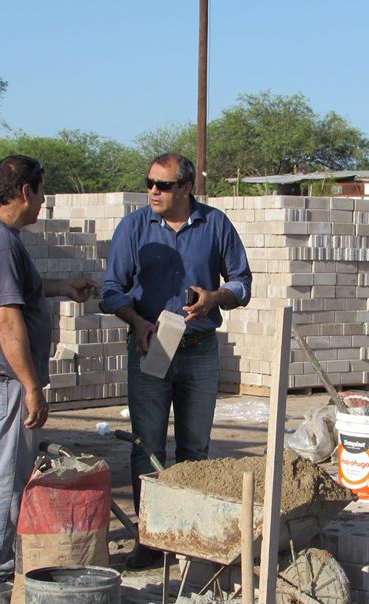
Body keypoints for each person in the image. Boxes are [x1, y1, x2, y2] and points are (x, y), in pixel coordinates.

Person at [100, 153, 252, 568]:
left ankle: (188, 538)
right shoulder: (133, 228)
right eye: (149, 182)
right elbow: (110, 290)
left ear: (186, 188)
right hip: (151, 347)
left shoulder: (215, 224)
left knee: (194, 448)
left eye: (163, 185)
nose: (153, 190)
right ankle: (149, 541)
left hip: (199, 349)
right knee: (146, 447)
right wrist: (137, 320)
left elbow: (242, 282)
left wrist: (215, 298)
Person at [0, 154, 98, 588]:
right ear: (24, 192)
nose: (42, 203)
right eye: (41, 192)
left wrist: (61, 289)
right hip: (4, 379)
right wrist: (31, 385)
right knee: (5, 476)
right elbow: (5, 317)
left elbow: (20, 292)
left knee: (5, 470)